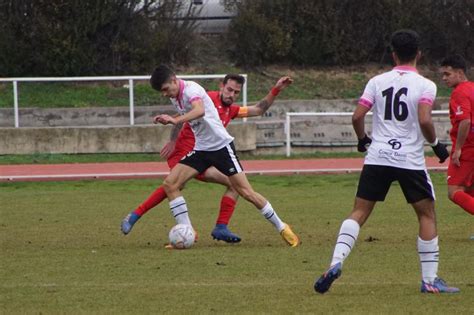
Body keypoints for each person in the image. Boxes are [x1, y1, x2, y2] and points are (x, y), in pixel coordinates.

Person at [313, 29, 459, 294]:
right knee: (426, 214)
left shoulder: (377, 81)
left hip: (378, 156)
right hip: (409, 159)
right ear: (419, 54)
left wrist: (362, 140)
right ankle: (429, 281)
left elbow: (357, 116)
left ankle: (335, 262)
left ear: (393, 54)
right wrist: (436, 145)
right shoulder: (426, 85)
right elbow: (425, 120)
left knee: (358, 212)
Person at [135, 64, 300, 247]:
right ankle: (186, 230)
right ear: (221, 86)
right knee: (170, 184)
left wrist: (276, 89)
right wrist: (174, 135)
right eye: (229, 89)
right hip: (201, 149)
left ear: (174, 80)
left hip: (221, 148)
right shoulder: (189, 95)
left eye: (236, 92)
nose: (165, 94)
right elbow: (189, 114)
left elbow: (200, 110)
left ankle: (281, 226)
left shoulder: (194, 91)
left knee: (246, 192)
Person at [439, 55, 474, 228]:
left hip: (467, 149)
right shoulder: (473, 88)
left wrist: (458, 148)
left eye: (447, 74)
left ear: (459, 73)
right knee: (470, 191)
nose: (444, 78)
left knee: (454, 192)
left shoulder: (459, 92)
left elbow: (465, 121)